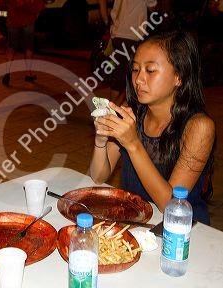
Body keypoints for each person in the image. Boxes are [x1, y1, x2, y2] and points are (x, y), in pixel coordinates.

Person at [90, 30, 215, 224]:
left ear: (179, 77)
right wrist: (101, 140)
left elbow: (170, 204)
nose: (138, 79)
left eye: (150, 70)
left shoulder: (199, 127)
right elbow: (98, 177)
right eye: (135, 69)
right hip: (136, 223)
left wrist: (133, 144)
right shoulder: (132, 115)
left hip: (182, 232)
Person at [99, 0, 157, 105]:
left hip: (117, 34)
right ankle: (114, 108)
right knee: (129, 75)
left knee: (120, 73)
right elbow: (152, 6)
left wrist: (106, 20)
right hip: (132, 35)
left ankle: (115, 107)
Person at [0, 0, 45, 86]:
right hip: (28, 19)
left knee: (11, 47)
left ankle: (7, 73)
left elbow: (2, 2)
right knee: (28, 47)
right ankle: (29, 73)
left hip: (13, 19)